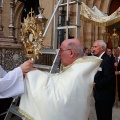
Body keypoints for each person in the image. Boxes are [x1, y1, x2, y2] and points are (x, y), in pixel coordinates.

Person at [19, 39, 102, 120]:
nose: (58, 54)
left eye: (61, 50)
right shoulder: (78, 67)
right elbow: (58, 79)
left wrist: (32, 75)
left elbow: (58, 100)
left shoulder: (77, 72)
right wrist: (39, 72)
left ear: (71, 53)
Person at [93, 40, 115, 120]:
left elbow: (108, 78)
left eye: (95, 47)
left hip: (105, 96)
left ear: (102, 48)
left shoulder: (107, 60)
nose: (93, 49)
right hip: (99, 95)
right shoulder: (98, 59)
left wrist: (96, 84)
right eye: (93, 47)